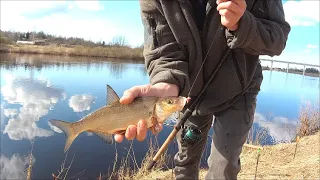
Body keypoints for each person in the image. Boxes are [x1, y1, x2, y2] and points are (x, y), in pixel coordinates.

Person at [114, 0, 290, 179]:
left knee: (225, 168)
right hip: (189, 93)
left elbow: (277, 38)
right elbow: (163, 52)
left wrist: (241, 24)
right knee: (185, 162)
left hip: (239, 90)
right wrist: (167, 83)